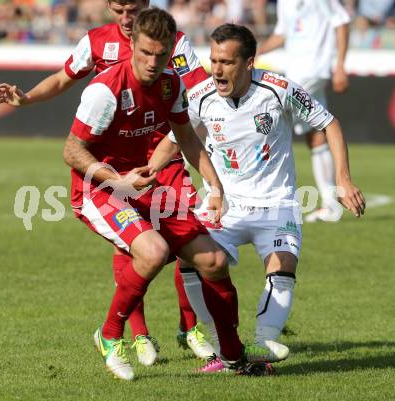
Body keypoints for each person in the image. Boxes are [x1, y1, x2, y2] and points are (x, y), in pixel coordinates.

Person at [0, 0, 214, 365]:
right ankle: (139, 335)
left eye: (133, 10)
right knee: (138, 247)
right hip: (114, 167)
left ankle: (190, 328)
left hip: (164, 156)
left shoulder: (175, 42)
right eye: (118, 10)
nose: (126, 19)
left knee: (189, 238)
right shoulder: (96, 43)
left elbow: (196, 92)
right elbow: (64, 79)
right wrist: (27, 98)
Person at [62, 8, 265, 380]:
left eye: (161, 54)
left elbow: (186, 138)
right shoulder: (105, 91)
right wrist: (117, 181)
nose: (153, 63)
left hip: (144, 185)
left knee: (214, 262)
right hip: (100, 188)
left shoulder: (171, 83)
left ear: (171, 49)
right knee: (153, 251)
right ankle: (110, 336)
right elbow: (72, 151)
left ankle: (233, 355)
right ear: (132, 47)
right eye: (145, 54)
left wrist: (215, 187)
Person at [161, 23, 365, 372]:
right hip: (224, 204)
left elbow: (328, 123)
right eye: (213, 60)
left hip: (277, 203)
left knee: (283, 264)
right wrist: (143, 173)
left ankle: (262, 345)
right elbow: (174, 140)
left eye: (226, 61)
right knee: (190, 260)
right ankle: (221, 351)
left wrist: (343, 180)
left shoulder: (280, 90)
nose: (217, 70)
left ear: (249, 62)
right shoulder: (199, 96)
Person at [257, 0, 351, 222]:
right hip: (297, 71)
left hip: (312, 70)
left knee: (270, 117)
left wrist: (339, 66)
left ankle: (261, 197)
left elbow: (343, 22)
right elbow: (282, 34)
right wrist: (256, 50)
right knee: (316, 135)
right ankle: (330, 205)